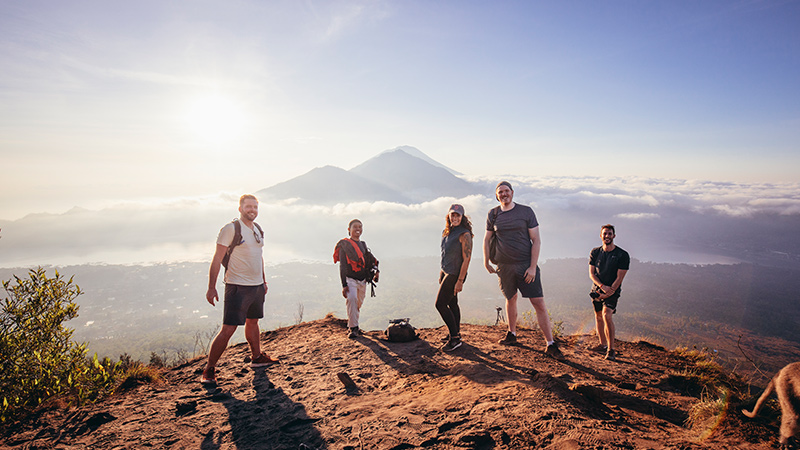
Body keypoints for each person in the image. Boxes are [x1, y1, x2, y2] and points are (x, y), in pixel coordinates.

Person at [201, 194, 277, 385]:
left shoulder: (257, 229)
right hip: (237, 286)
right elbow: (217, 259)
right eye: (248, 207)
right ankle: (209, 369)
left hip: (256, 286)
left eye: (255, 207)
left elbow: (259, 257)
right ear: (240, 209)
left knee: (253, 322)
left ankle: (257, 357)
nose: (252, 210)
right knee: (228, 329)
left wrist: (264, 281)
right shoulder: (231, 229)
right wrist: (211, 287)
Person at [483, 181, 563, 358]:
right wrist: (486, 261)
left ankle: (551, 343)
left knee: (538, 302)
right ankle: (511, 334)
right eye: (500, 192)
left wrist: (533, 267)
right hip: (503, 266)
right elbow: (487, 239)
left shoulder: (526, 212)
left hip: (525, 265)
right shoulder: (493, 214)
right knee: (510, 298)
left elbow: (536, 240)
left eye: (506, 191)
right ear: (497, 196)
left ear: (512, 192)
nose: (504, 194)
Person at [588, 224, 630, 361]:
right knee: (598, 316)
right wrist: (601, 286)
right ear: (601, 235)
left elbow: (620, 278)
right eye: (605, 233)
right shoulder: (595, 252)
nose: (607, 236)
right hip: (597, 289)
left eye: (609, 233)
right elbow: (591, 274)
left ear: (614, 236)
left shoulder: (622, 255)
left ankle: (611, 350)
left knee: (607, 315)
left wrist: (609, 291)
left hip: (613, 291)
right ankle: (602, 344)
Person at [334, 219, 379, 338]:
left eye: (360, 227)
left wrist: (376, 271)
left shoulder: (363, 245)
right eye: (355, 227)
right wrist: (344, 285)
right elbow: (342, 266)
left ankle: (353, 323)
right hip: (350, 279)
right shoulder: (345, 245)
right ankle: (353, 328)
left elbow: (370, 260)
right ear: (349, 230)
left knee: (358, 303)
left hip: (362, 280)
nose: (358, 229)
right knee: (352, 299)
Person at [437, 204, 473, 352]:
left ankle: (455, 339)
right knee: (452, 303)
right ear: (449, 216)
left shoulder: (464, 234)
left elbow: (467, 259)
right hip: (446, 271)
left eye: (458, 215)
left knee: (440, 304)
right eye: (453, 215)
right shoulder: (447, 232)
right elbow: (446, 254)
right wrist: (441, 272)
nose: (455, 218)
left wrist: (460, 280)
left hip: (455, 274)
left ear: (462, 217)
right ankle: (455, 332)